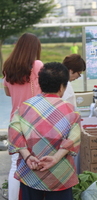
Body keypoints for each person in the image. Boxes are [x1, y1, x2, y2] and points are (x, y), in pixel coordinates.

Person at [7, 62, 81, 200]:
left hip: (30, 172)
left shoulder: (24, 107)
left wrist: (27, 156)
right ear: (62, 87)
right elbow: (74, 138)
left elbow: (14, 134)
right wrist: (56, 158)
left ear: (40, 84)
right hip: (60, 174)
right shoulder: (71, 110)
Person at [2, 33, 43, 200]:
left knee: (15, 165)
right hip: (35, 121)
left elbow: (7, 92)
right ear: (35, 48)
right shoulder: (37, 65)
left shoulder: (8, 66)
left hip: (15, 120)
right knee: (37, 161)